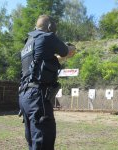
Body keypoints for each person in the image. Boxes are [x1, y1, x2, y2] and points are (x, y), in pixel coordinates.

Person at [19, 15, 75, 150]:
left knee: (33, 142)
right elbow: (67, 51)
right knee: (44, 142)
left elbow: (41, 63)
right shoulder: (47, 37)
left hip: (24, 96)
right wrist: (72, 47)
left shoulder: (28, 43)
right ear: (50, 27)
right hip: (38, 97)